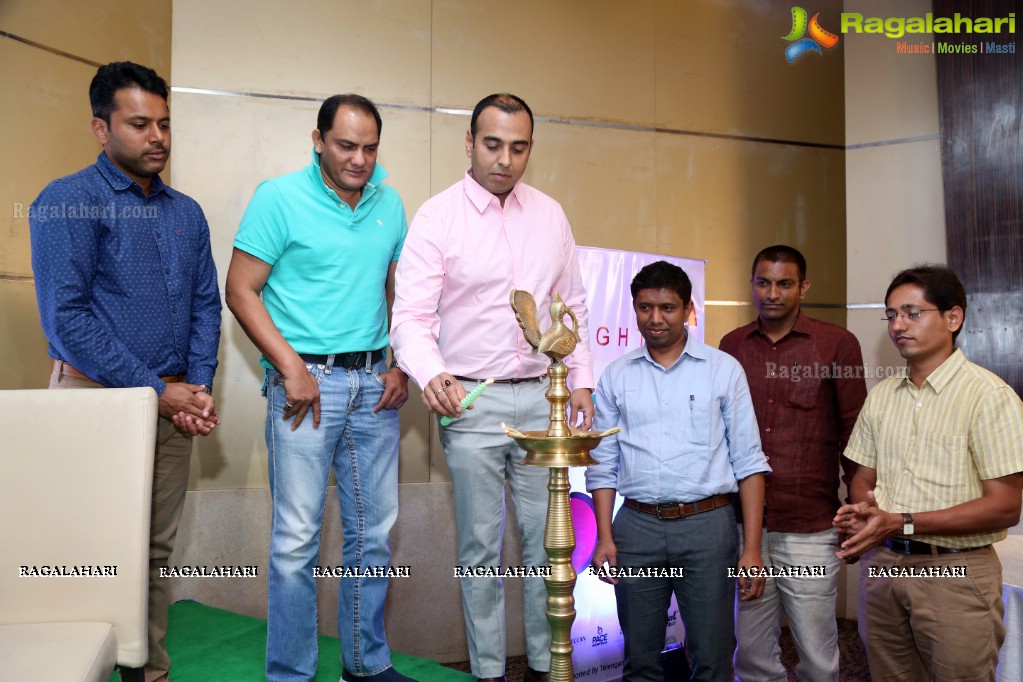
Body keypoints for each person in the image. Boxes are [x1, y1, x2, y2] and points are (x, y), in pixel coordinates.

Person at [390, 93, 594, 682]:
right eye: (493, 144)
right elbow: (410, 318)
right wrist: (432, 374)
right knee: (480, 549)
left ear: (531, 147)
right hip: (470, 402)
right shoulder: (438, 216)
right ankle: (487, 673)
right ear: (471, 143)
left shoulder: (550, 215)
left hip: (541, 398)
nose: (505, 159)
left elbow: (572, 305)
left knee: (547, 546)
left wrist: (579, 380)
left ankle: (543, 665)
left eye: (518, 146)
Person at [29, 61, 222, 682]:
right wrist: (157, 390)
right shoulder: (66, 201)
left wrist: (195, 389)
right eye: (139, 124)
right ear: (100, 127)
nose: (157, 137)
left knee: (154, 554)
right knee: (89, 557)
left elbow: (203, 304)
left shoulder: (186, 212)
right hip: (94, 402)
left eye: (164, 123)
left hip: (168, 399)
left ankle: (148, 673)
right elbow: (67, 321)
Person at [225, 94, 414, 682]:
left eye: (370, 147)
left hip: (373, 386)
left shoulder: (391, 203)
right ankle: (291, 674)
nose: (359, 159)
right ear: (318, 140)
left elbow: (397, 291)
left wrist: (399, 363)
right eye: (345, 145)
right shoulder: (278, 197)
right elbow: (240, 288)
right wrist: (290, 367)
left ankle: (366, 664)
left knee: (375, 536)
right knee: (296, 542)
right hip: (306, 385)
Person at [834, 265, 1023, 681]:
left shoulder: (989, 397)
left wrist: (900, 521)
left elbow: (1006, 507)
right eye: (890, 315)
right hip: (883, 567)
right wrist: (866, 512)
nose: (898, 325)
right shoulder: (882, 396)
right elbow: (862, 476)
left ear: (952, 318)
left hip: (953, 573)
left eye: (911, 313)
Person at [585, 261, 771, 682]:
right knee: (640, 660)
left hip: (708, 527)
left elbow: (749, 461)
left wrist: (752, 549)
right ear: (633, 308)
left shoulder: (722, 369)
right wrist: (605, 537)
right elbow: (602, 464)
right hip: (636, 528)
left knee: (712, 656)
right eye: (645, 307)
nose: (655, 319)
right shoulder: (616, 375)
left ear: (689, 309)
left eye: (667, 308)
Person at [720, 245, 866, 681]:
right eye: (763, 282)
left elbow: (856, 437)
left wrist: (859, 512)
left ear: (803, 287)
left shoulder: (836, 344)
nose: (773, 293)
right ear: (751, 286)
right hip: (746, 529)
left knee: (818, 659)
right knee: (751, 654)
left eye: (784, 283)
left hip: (811, 527)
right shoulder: (732, 346)